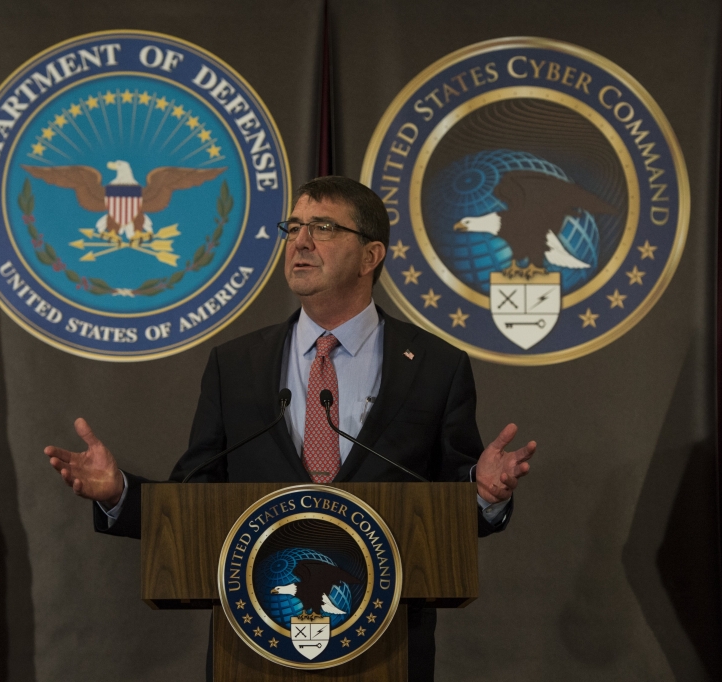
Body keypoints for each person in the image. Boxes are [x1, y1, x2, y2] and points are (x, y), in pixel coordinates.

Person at [45, 176, 535, 681]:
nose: (300, 242)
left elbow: (456, 505)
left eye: (323, 227)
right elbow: (195, 498)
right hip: (255, 641)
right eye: (293, 227)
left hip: (386, 646)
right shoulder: (235, 365)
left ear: (371, 256)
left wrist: (484, 493)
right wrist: (120, 493)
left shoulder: (435, 365)